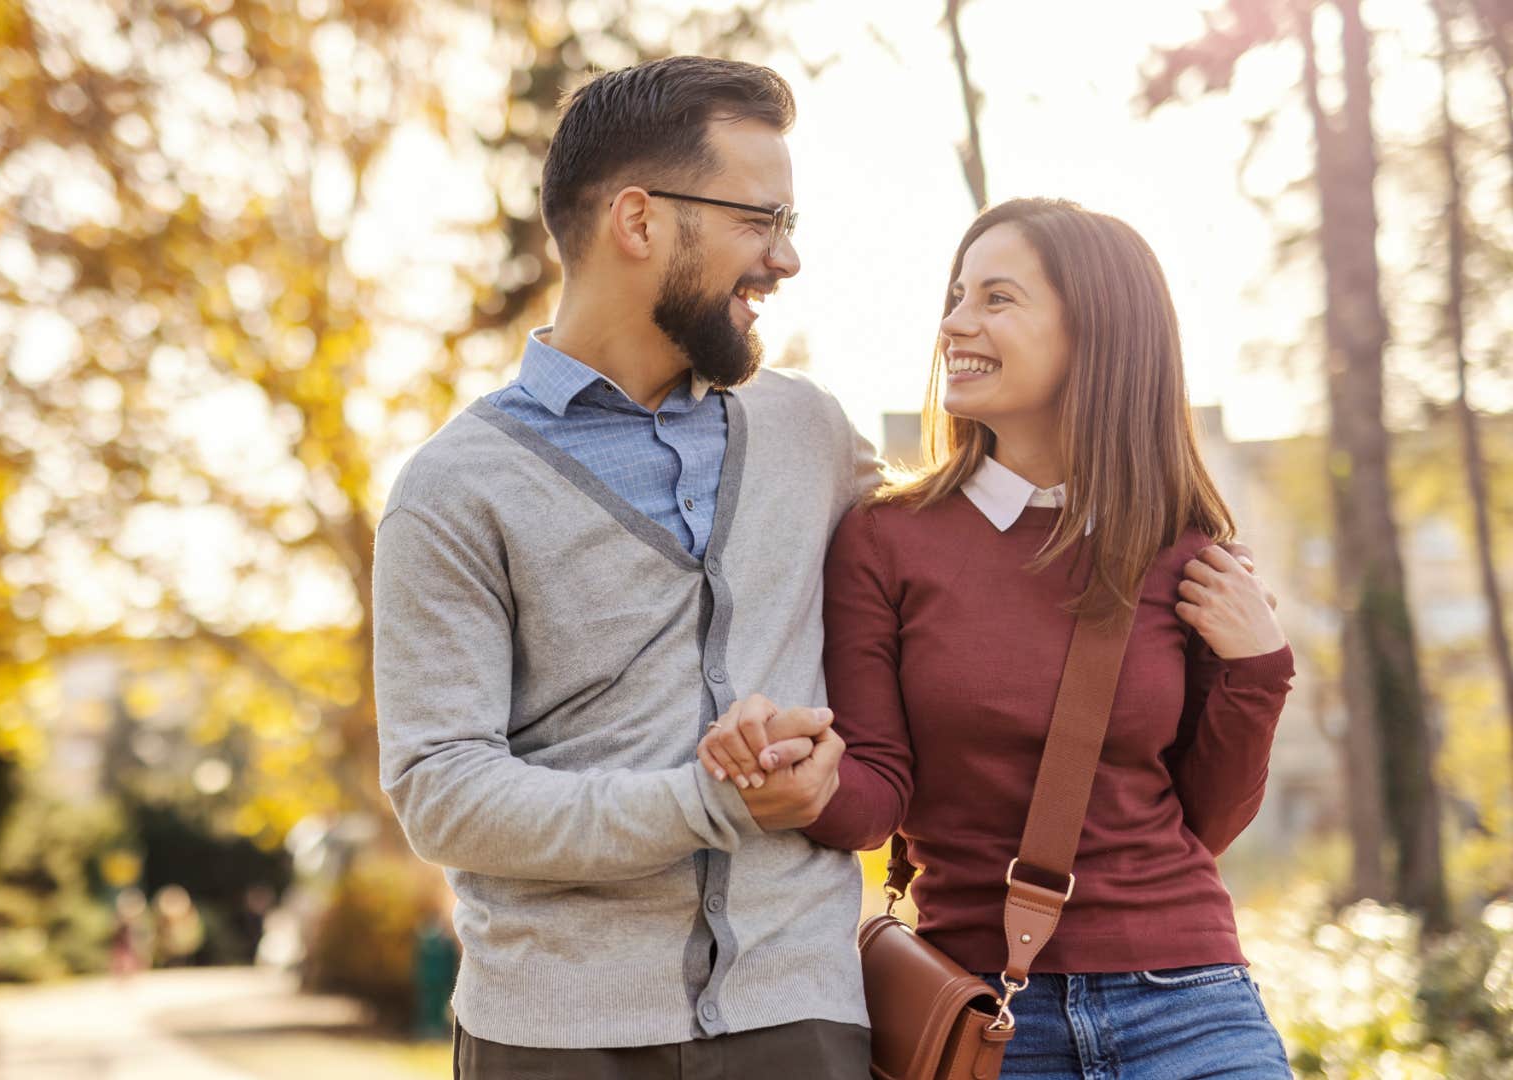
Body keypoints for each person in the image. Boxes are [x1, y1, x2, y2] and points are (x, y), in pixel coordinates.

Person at [700, 196, 1295, 1078]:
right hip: (987, 1017)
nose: (954, 324)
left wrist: (1261, 668)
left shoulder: (1183, 549)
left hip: (1190, 1000)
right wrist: (797, 777)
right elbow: (876, 797)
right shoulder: (886, 539)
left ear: (1096, 334)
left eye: (996, 299)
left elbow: (1204, 818)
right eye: (955, 294)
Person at [373, 55, 883, 1078]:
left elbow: (962, 569)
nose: (784, 260)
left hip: (801, 1017)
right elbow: (444, 791)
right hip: (556, 1035)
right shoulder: (454, 487)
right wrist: (708, 804)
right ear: (640, 222)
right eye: (760, 220)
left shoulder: (810, 432)